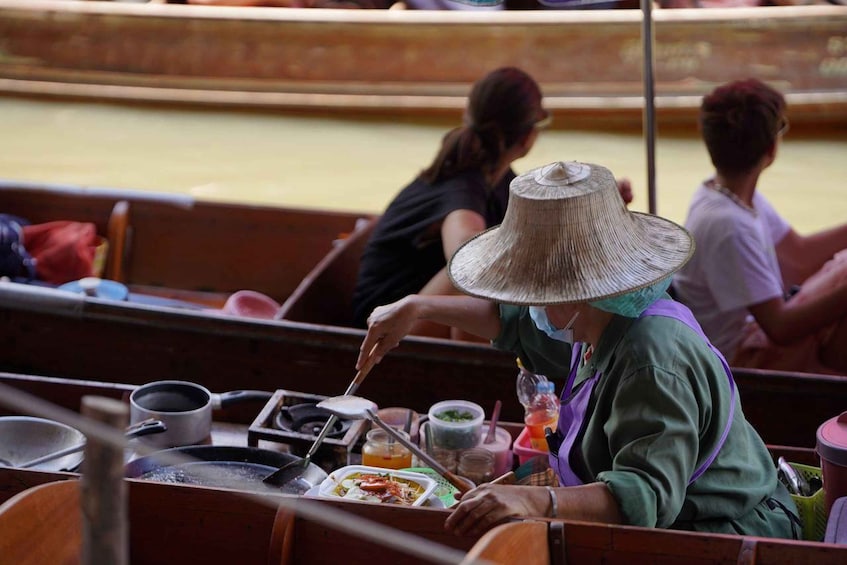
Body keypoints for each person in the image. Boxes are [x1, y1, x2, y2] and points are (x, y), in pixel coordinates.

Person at [356, 161, 798, 539]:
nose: (527, 304)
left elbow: (643, 497)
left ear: (573, 290)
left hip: (722, 527)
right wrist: (417, 308)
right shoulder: (594, 321)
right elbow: (510, 324)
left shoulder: (649, 356)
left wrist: (535, 499)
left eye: (532, 290)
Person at [352, 67, 633, 339]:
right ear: (527, 137)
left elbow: (537, 219)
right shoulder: (464, 187)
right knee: (474, 267)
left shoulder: (497, 178)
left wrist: (595, 209)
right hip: (386, 328)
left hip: (400, 313)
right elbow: (464, 252)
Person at [672, 78, 847, 374]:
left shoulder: (724, 194)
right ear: (770, 149)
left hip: (757, 336)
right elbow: (781, 327)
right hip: (739, 361)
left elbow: (799, 255)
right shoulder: (728, 225)